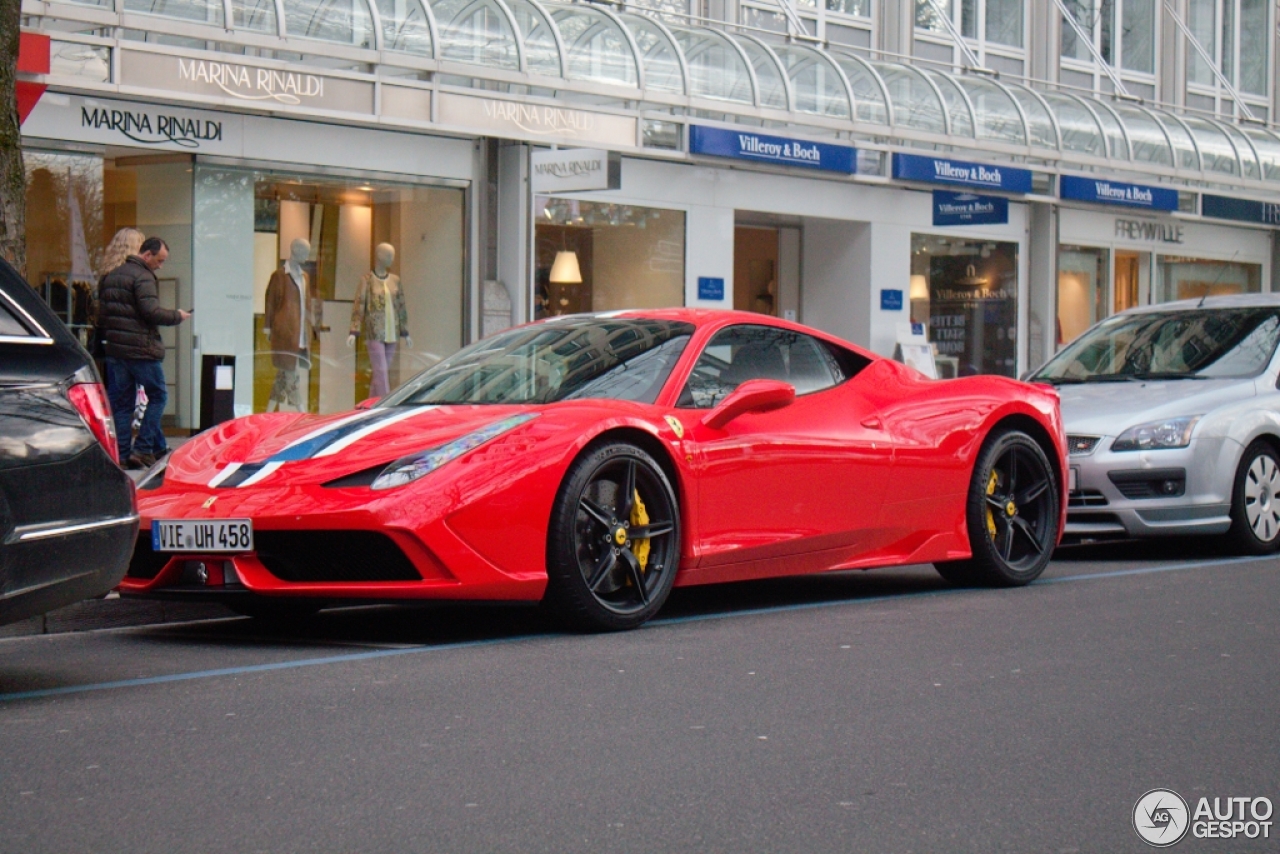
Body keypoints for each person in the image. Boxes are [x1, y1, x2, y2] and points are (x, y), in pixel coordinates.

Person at [97, 236, 190, 469]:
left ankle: (123, 455)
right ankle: (144, 448)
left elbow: (102, 315)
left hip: (116, 351)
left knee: (122, 404)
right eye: (159, 260)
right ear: (147, 255)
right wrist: (177, 316)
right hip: (141, 350)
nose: (161, 265)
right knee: (159, 395)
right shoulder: (143, 276)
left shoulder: (111, 276)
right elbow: (151, 312)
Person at [348, 242, 411, 398]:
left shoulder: (395, 280)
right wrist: (354, 331)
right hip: (374, 332)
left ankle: (370, 407)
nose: (392, 258)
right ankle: (385, 408)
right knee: (381, 373)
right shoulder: (367, 281)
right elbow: (359, 305)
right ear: (379, 255)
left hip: (393, 333)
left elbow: (401, 307)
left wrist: (405, 332)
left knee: (379, 375)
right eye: (389, 255)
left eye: (393, 255)